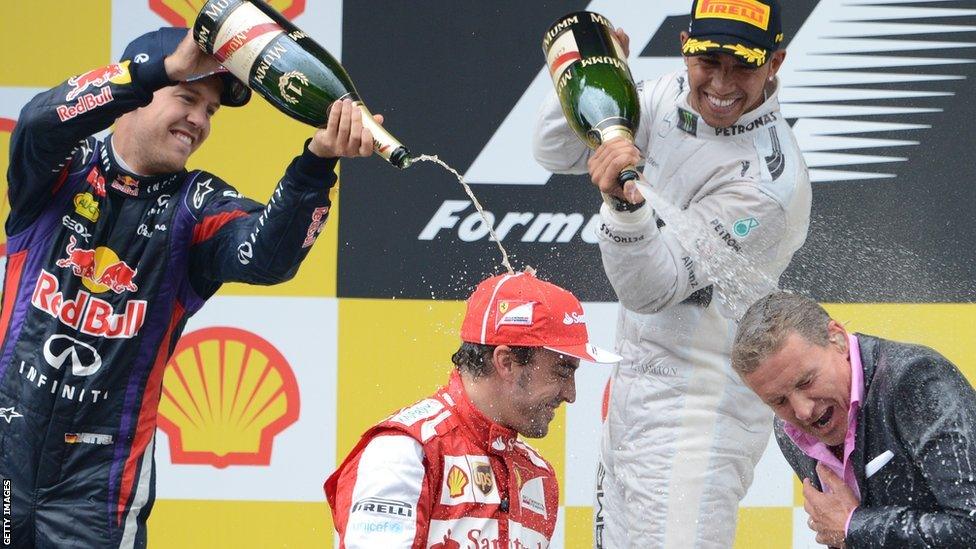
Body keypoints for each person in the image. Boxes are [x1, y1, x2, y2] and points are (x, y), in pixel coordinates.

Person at [0, 26, 382, 548]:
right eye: (187, 97)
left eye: (210, 111)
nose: (199, 120)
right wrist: (156, 71)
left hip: (97, 492)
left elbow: (268, 256)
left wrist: (316, 164)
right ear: (141, 92)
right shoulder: (61, 168)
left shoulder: (196, 204)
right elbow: (37, 124)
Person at [533, 0, 811, 546]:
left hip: (701, 411)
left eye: (744, 65)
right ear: (685, 44)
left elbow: (649, 289)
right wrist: (582, 76)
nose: (723, 83)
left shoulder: (769, 186)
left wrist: (622, 205)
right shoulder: (659, 95)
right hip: (633, 388)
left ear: (775, 62)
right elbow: (552, 150)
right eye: (709, 60)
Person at [325, 270, 621, 547]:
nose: (571, 394)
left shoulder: (537, 475)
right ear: (506, 362)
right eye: (561, 371)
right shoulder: (404, 453)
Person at [732, 292, 976, 548]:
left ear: (837, 339)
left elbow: (970, 527)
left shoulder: (914, 382)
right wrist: (850, 530)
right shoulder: (788, 431)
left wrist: (855, 526)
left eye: (806, 381)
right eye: (779, 401)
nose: (802, 411)